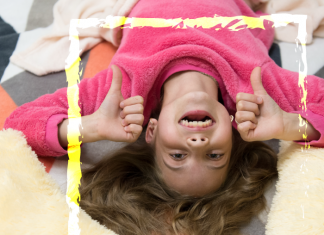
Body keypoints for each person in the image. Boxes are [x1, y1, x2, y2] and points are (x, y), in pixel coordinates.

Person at [4, 0, 324, 233]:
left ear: (152, 132)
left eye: (177, 155)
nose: (197, 143)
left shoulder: (124, 90)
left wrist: (89, 127)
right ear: (232, 126)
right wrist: (290, 124)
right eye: (214, 155)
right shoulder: (259, 87)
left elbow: (18, 124)